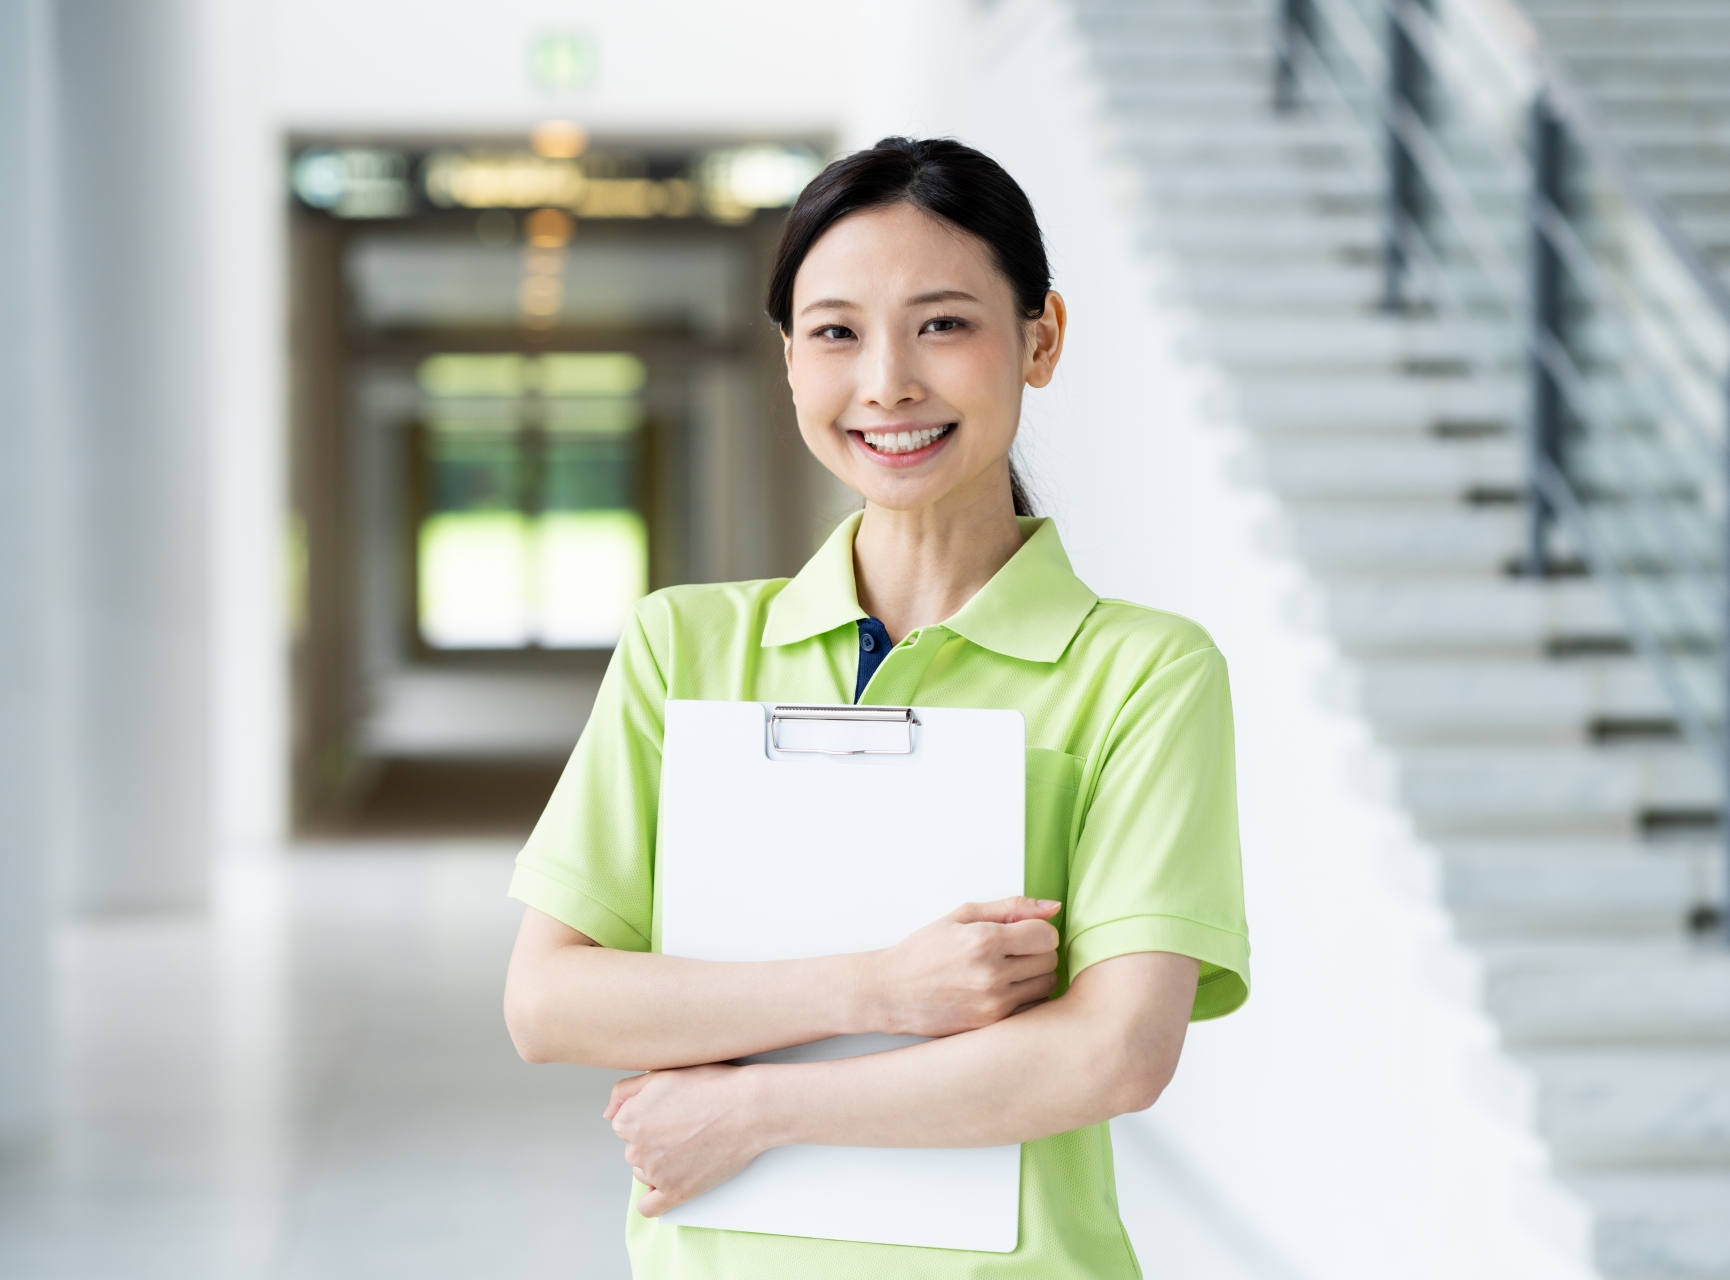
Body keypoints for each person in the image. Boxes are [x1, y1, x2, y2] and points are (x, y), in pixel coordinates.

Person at [503, 136, 1249, 1279]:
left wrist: (754, 1108)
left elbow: (1113, 1052)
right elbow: (550, 1000)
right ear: (791, 361)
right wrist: (881, 988)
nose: (887, 382)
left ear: (1040, 337)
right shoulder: (682, 645)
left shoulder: (1143, 672)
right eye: (837, 331)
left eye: (943, 323)